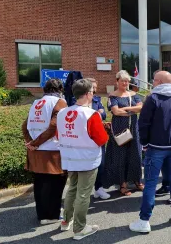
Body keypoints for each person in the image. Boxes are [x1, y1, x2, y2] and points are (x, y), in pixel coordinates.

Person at [130, 71, 171, 233]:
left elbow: (143, 124)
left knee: (151, 183)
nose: (152, 82)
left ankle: (144, 221)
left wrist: (144, 143)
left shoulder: (153, 99)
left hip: (156, 147)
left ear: (158, 81)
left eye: (154, 79)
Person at [57, 79, 109, 240]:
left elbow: (59, 135)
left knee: (72, 189)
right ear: (87, 95)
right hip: (87, 159)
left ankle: (66, 221)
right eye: (92, 92)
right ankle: (79, 228)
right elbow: (102, 139)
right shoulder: (91, 114)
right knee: (83, 194)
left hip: (69, 158)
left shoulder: (62, 112)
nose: (93, 95)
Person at [22, 78, 68, 225]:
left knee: (40, 183)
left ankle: (42, 214)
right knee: (55, 184)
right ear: (60, 90)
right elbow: (54, 127)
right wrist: (35, 143)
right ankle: (51, 215)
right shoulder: (59, 102)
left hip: (36, 152)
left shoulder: (36, 103)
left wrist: (31, 143)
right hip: (52, 152)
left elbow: (24, 125)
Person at [103, 70, 144, 196]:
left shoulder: (134, 94)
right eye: (122, 81)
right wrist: (132, 111)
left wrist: (126, 109)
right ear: (117, 81)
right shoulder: (113, 96)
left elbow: (141, 107)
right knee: (120, 157)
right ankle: (123, 184)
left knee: (136, 154)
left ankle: (137, 180)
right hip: (119, 129)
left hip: (133, 128)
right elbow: (115, 112)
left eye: (126, 81)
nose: (125, 83)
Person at [84, 78, 110, 200]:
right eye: (92, 87)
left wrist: (99, 113)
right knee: (87, 166)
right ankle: (84, 192)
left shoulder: (97, 99)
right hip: (85, 138)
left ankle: (98, 188)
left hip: (98, 136)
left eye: (95, 87)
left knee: (101, 163)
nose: (94, 90)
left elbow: (104, 114)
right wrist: (97, 113)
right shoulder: (76, 100)